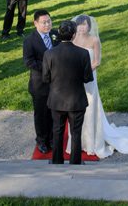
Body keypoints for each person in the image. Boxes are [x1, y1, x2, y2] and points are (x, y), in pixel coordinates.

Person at [66, 15, 128, 159]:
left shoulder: (94, 40)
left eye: (85, 25)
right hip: (74, 80)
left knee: (90, 105)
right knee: (75, 108)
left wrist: (85, 74)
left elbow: (97, 61)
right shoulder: (73, 39)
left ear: (89, 26)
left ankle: (92, 142)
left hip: (89, 78)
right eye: (80, 25)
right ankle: (79, 141)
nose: (82, 28)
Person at [42, 20, 93, 165]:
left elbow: (45, 78)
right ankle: (75, 163)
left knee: (57, 131)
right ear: (74, 35)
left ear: (59, 33)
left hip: (57, 100)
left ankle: (57, 161)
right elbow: (87, 77)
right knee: (76, 133)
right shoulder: (83, 53)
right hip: (76, 100)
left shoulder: (49, 53)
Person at [23, 10, 58, 154]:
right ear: (35, 23)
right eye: (44, 22)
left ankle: (52, 138)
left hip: (56, 83)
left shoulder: (56, 35)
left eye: (49, 21)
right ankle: (41, 140)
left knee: (53, 112)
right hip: (40, 84)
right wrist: (48, 68)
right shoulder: (30, 40)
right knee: (41, 114)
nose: (47, 24)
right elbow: (29, 62)